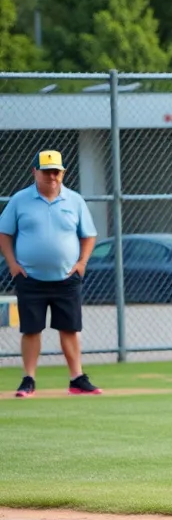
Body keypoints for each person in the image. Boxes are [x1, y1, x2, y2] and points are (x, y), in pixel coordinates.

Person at [0, 149, 102, 397]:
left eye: (56, 172)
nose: (52, 177)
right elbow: (4, 233)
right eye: (46, 172)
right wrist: (13, 264)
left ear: (63, 173)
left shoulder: (74, 200)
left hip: (67, 279)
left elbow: (89, 235)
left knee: (70, 329)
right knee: (31, 329)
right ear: (35, 172)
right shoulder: (19, 200)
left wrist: (81, 263)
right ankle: (28, 379)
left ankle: (76, 378)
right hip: (30, 278)